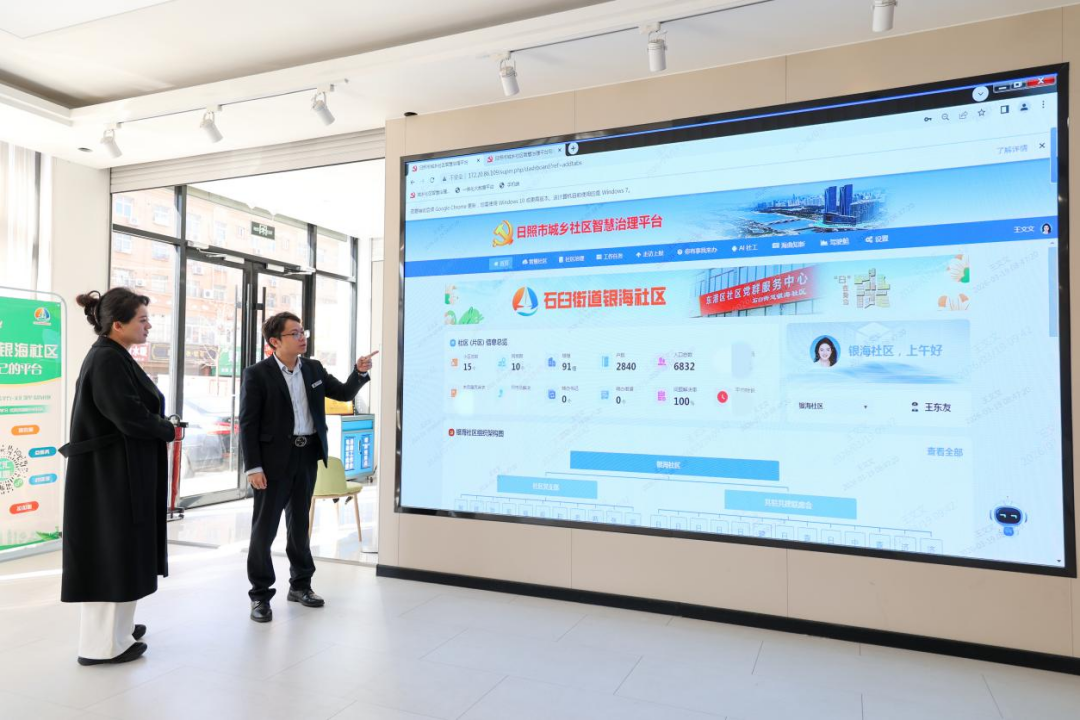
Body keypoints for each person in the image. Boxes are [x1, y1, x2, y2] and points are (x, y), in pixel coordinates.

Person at [60, 288, 180, 665]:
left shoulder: (115, 355)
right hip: (108, 476)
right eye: (142, 320)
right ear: (117, 324)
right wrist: (166, 429)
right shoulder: (106, 359)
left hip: (120, 470)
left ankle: (120, 633)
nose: (149, 326)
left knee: (124, 550)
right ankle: (100, 647)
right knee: (109, 553)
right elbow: (129, 416)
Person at [240, 312, 377, 622]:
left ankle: (301, 585)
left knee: (300, 525)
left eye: (303, 332)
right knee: (264, 529)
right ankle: (260, 595)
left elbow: (343, 393)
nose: (302, 337)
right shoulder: (257, 374)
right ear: (275, 342)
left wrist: (359, 372)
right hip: (272, 462)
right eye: (295, 333)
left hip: (306, 456)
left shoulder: (313, 369)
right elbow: (248, 424)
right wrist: (253, 467)